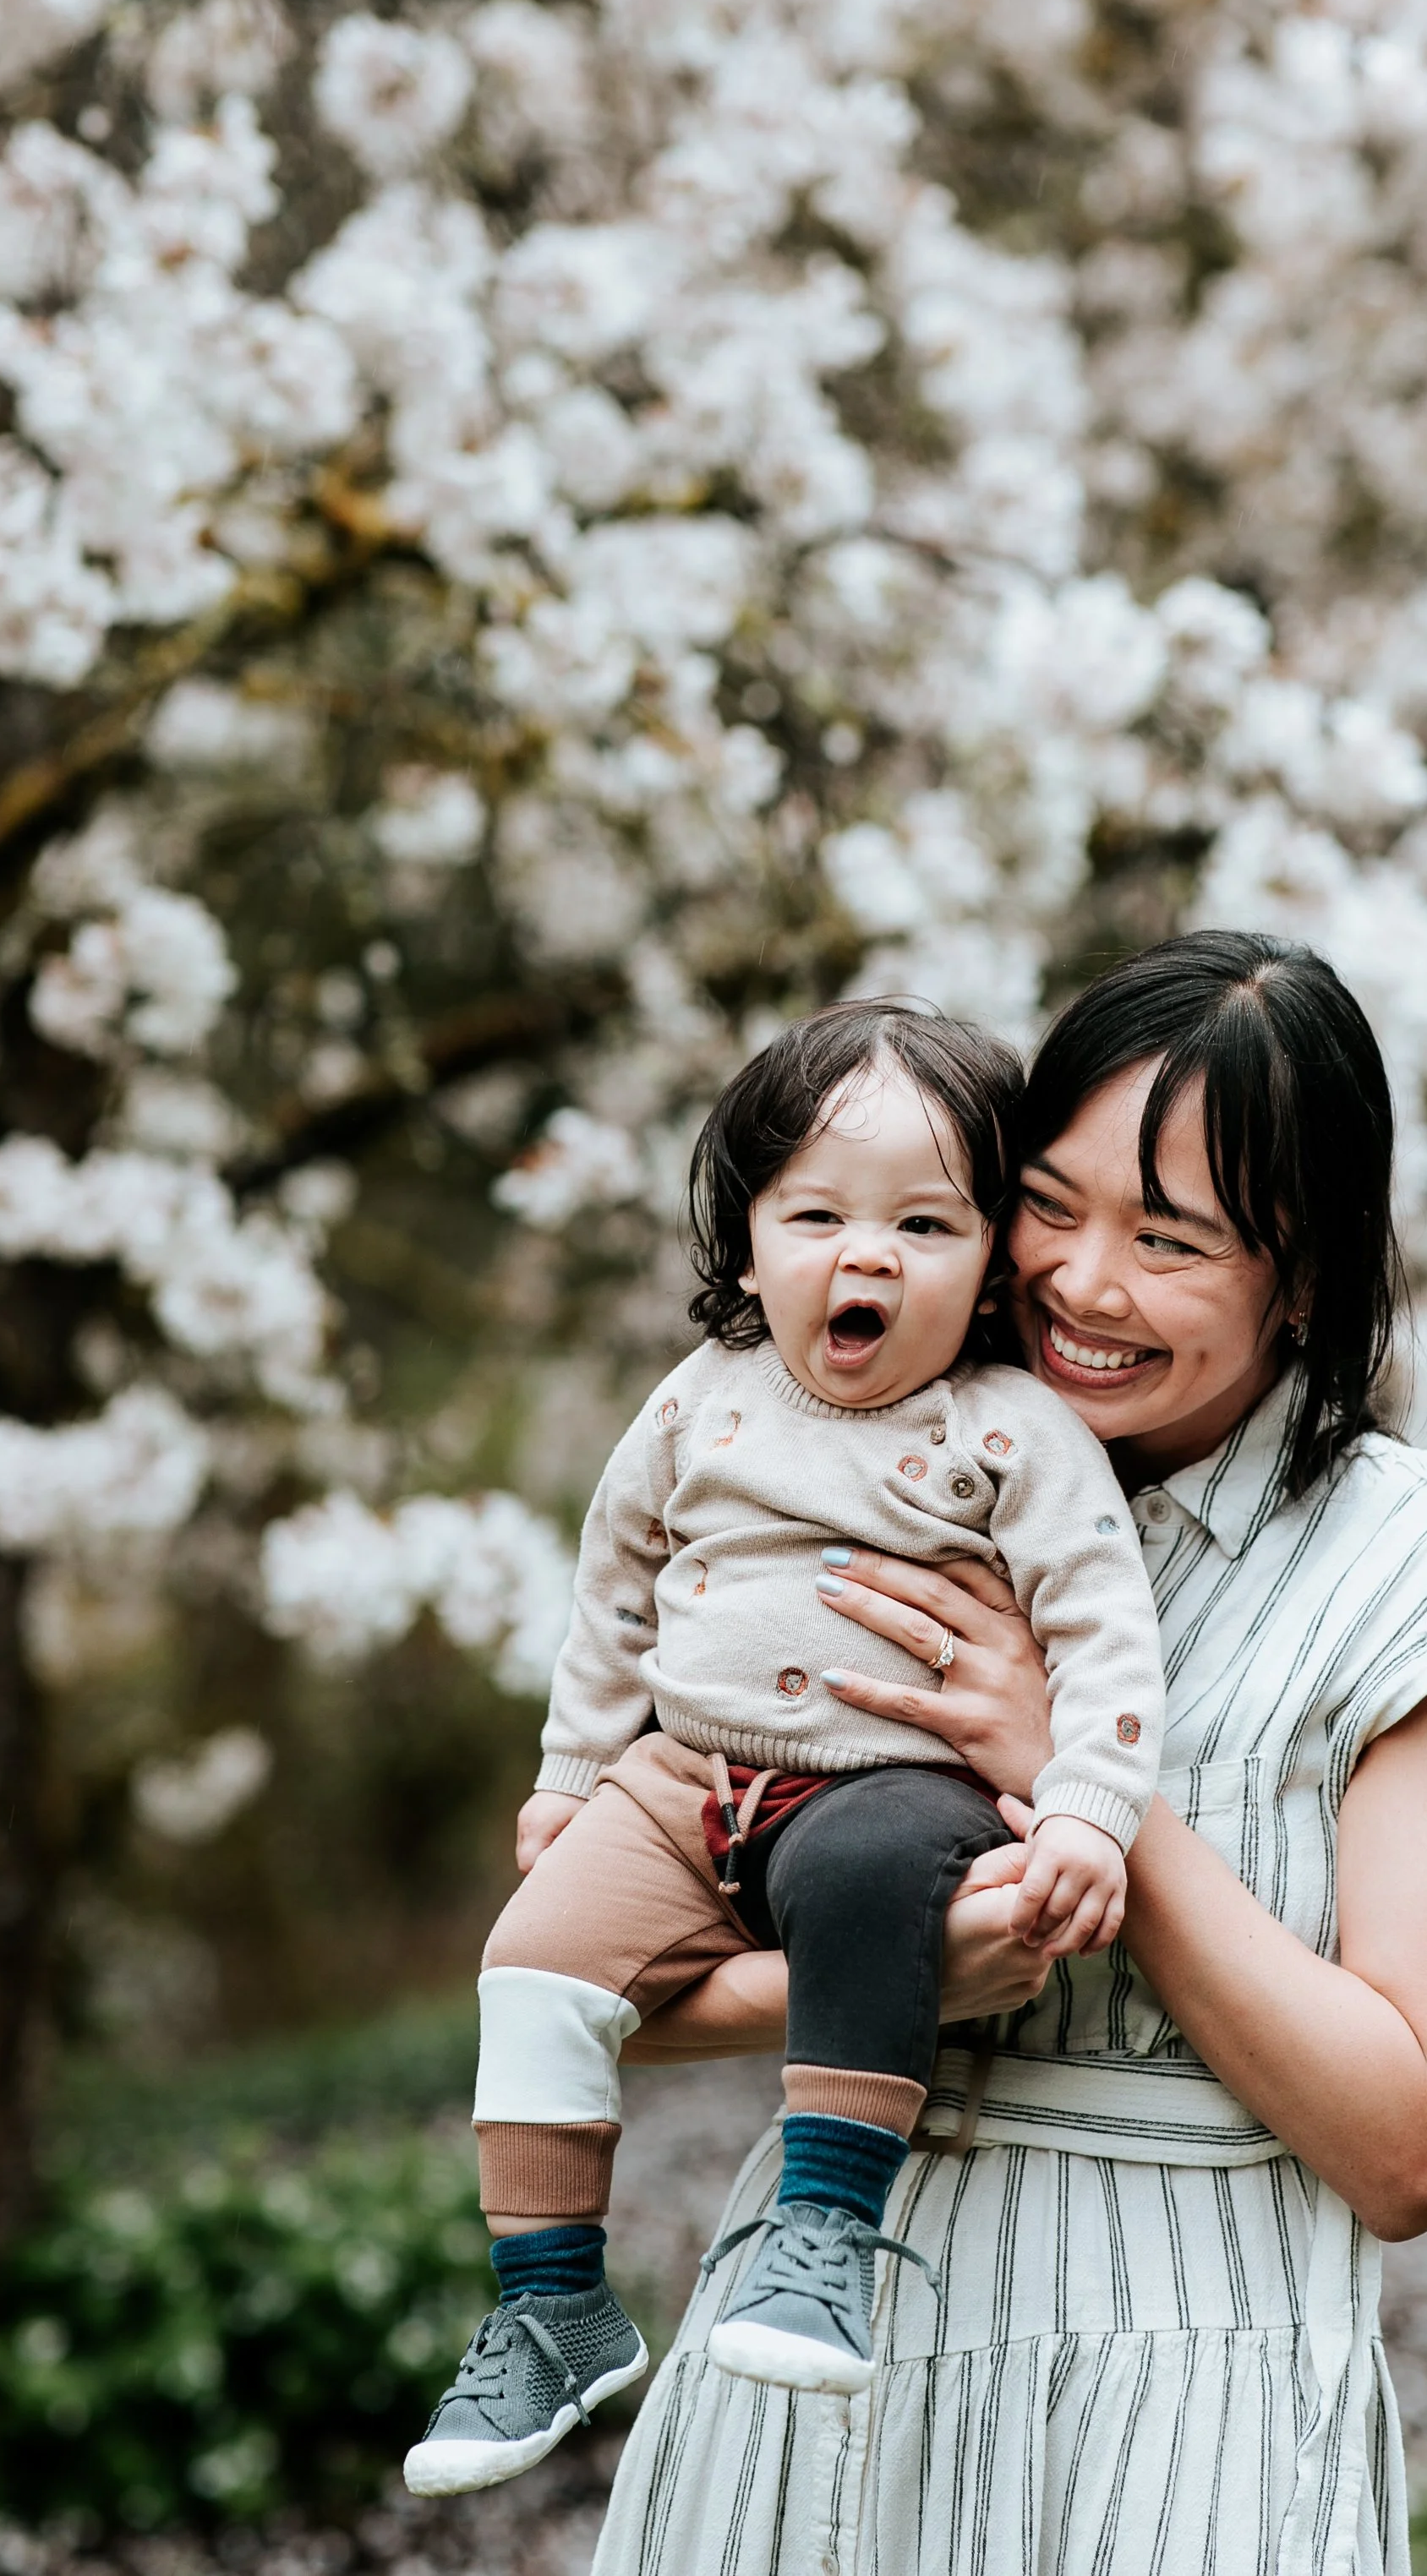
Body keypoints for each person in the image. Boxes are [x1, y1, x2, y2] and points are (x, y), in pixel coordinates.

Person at [593, 930, 1427, 2576]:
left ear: (1312, 1274)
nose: (1080, 1283)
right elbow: (616, 1978)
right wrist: (893, 1979)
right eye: (1049, 1204)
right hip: (797, 2380)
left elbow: (1412, 2146)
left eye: (1172, 1239)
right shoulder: (877, 1468)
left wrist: (1092, 1791)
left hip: (1167, 2417)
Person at [406, 1001, 1162, 2497]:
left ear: (991, 1256)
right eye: (817, 1212)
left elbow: (1103, 1627)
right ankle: (552, 2302)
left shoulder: (1006, 1429)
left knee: (881, 1878)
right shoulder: (700, 1398)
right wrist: (572, 1776)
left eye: (927, 1222)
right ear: (749, 1244)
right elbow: (614, 1586)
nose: (865, 1254)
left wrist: (1086, 1809)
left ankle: (822, 2233)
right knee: (531, 1963)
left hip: (889, 1785)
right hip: (684, 1778)